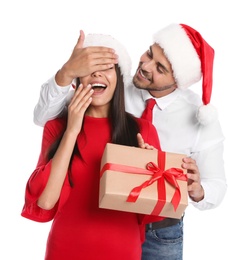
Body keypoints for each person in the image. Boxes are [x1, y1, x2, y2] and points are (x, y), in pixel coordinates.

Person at [31, 24, 227, 260]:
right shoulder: (112, 85)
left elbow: (216, 183)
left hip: (160, 229)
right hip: (82, 236)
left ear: (176, 81)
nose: (144, 66)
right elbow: (45, 116)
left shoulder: (196, 118)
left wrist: (196, 189)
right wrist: (67, 72)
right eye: (149, 54)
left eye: (160, 68)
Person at [21, 33, 164, 260]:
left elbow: (152, 213)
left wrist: (149, 175)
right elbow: (46, 202)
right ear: (77, 80)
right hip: (65, 250)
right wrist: (72, 130)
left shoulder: (142, 130)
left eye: (106, 67)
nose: (97, 73)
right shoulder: (56, 128)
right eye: (89, 68)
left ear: (118, 77)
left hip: (122, 251)